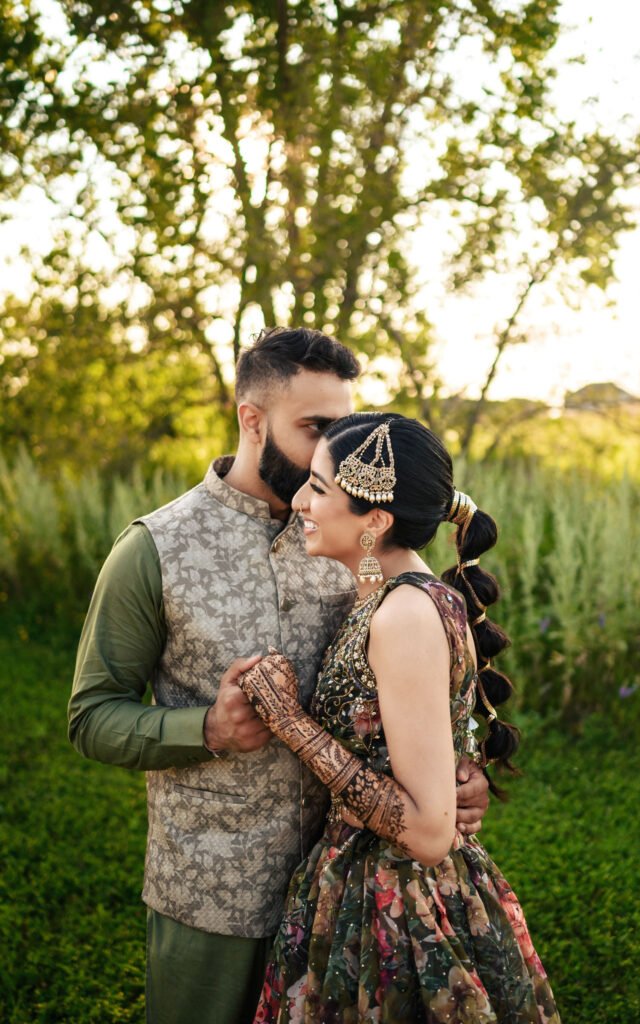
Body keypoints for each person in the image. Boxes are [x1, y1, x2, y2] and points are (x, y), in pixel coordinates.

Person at [67, 327, 491, 1024]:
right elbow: (91, 717)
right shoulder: (154, 550)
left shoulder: (350, 537)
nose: (334, 450)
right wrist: (207, 727)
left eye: (344, 428)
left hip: (342, 896)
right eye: (316, 428)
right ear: (252, 420)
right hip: (210, 891)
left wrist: (451, 772)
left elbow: (411, 669)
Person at [238, 412, 561, 1023]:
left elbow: (427, 832)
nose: (301, 501)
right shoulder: (393, 595)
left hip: (397, 903)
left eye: (320, 488)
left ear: (376, 520)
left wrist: (288, 720)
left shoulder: (404, 614)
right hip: (363, 881)